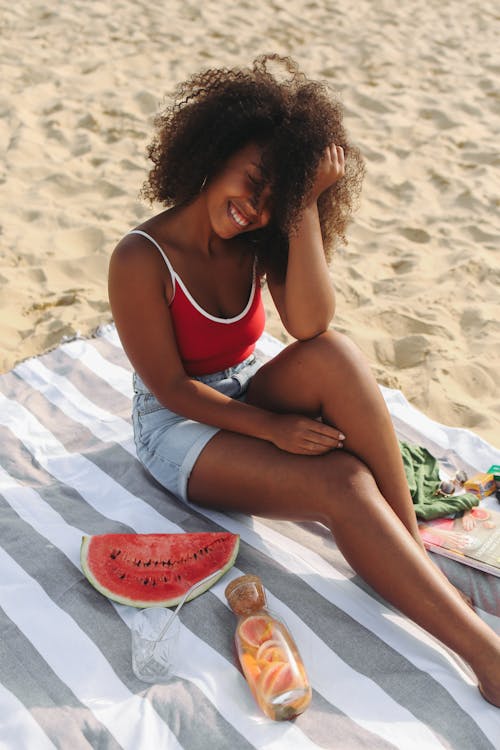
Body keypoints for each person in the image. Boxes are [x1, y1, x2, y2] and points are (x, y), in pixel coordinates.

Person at [108, 54, 500, 705]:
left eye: (273, 197)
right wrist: (274, 429)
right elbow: (173, 390)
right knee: (343, 482)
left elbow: (312, 324)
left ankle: (409, 558)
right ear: (216, 151)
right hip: (176, 429)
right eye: (253, 181)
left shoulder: (259, 236)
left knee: (337, 356)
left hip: (239, 394)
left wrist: (305, 204)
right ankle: (488, 660)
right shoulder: (140, 258)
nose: (252, 207)